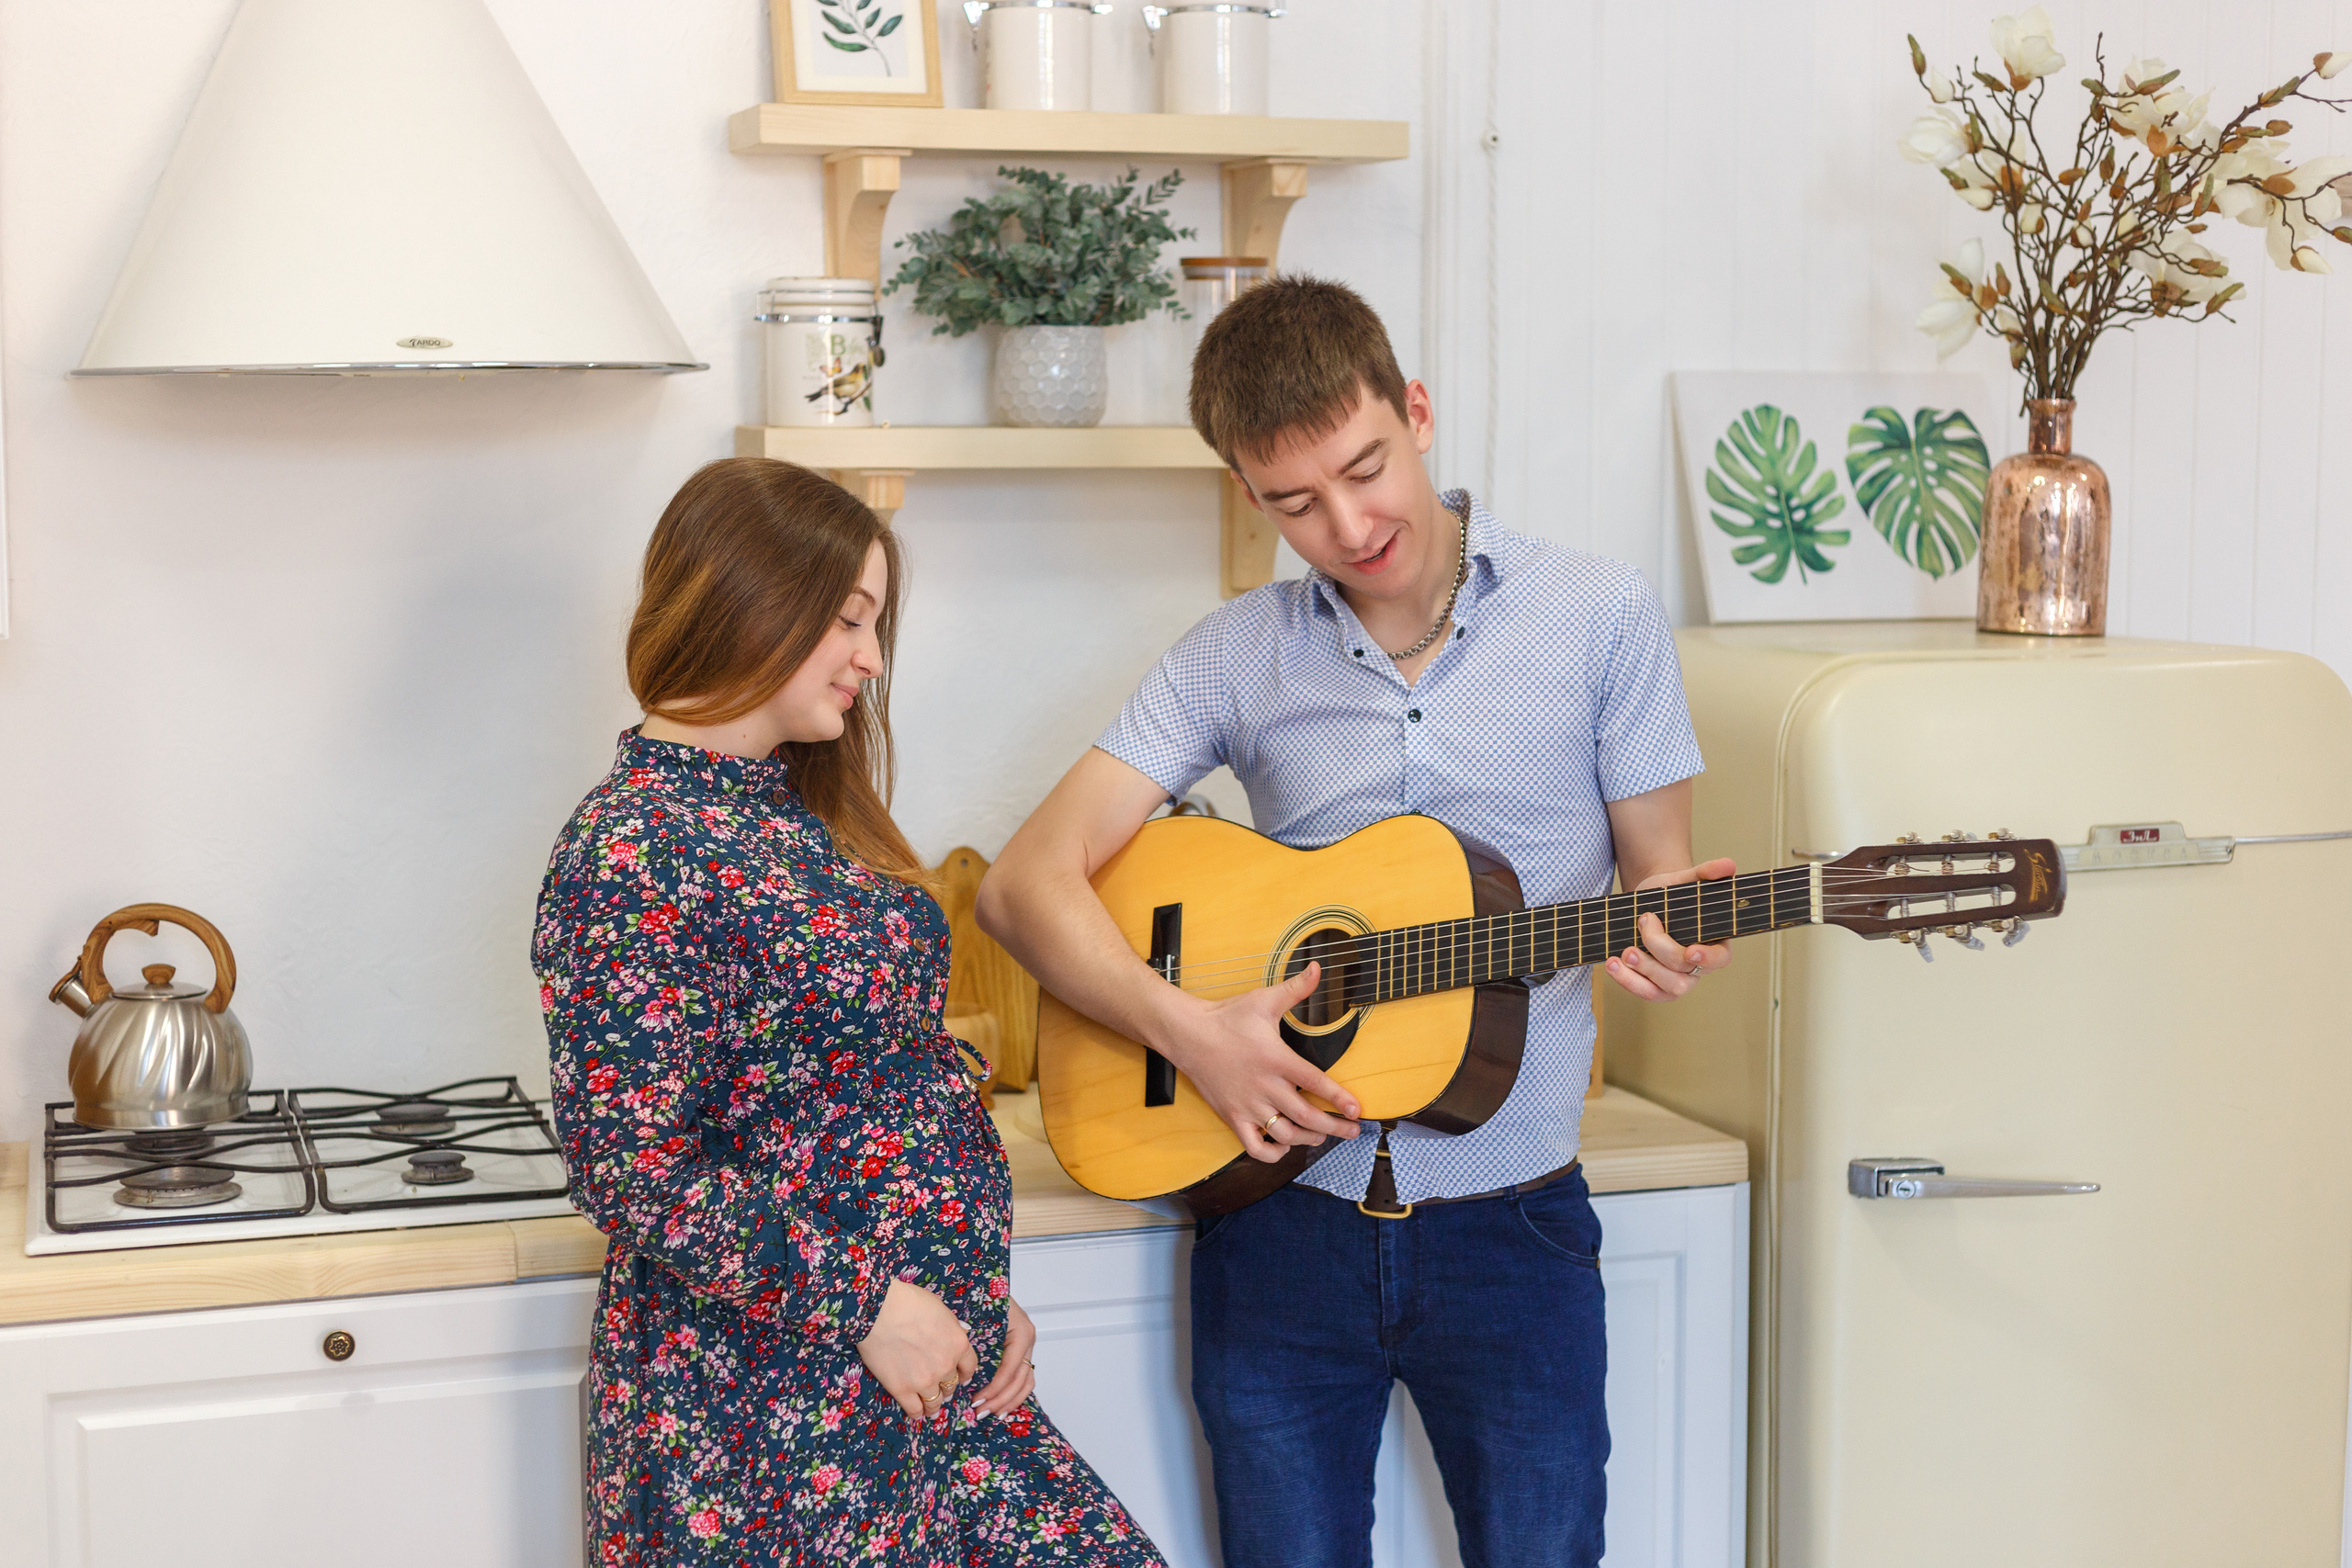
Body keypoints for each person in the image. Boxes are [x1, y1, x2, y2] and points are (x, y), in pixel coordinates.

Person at [975, 277, 1733, 1568]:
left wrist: (1664, 932)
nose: (1347, 523)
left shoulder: (1601, 615)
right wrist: (1192, 1031)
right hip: (1276, 1222)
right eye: (1293, 502)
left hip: (1516, 1223)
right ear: (1246, 496)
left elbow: (1658, 881)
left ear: (1418, 411)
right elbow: (1022, 882)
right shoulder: (1232, 653)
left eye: (1365, 468)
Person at [534, 458, 1165, 1568]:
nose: (871, 660)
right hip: (766, 1407)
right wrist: (874, 1305)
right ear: (747, 601)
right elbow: (632, 1165)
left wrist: (965, 1301)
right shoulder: (631, 846)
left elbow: (864, 1095)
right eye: (846, 619)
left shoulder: (804, 806)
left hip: (916, 1380)